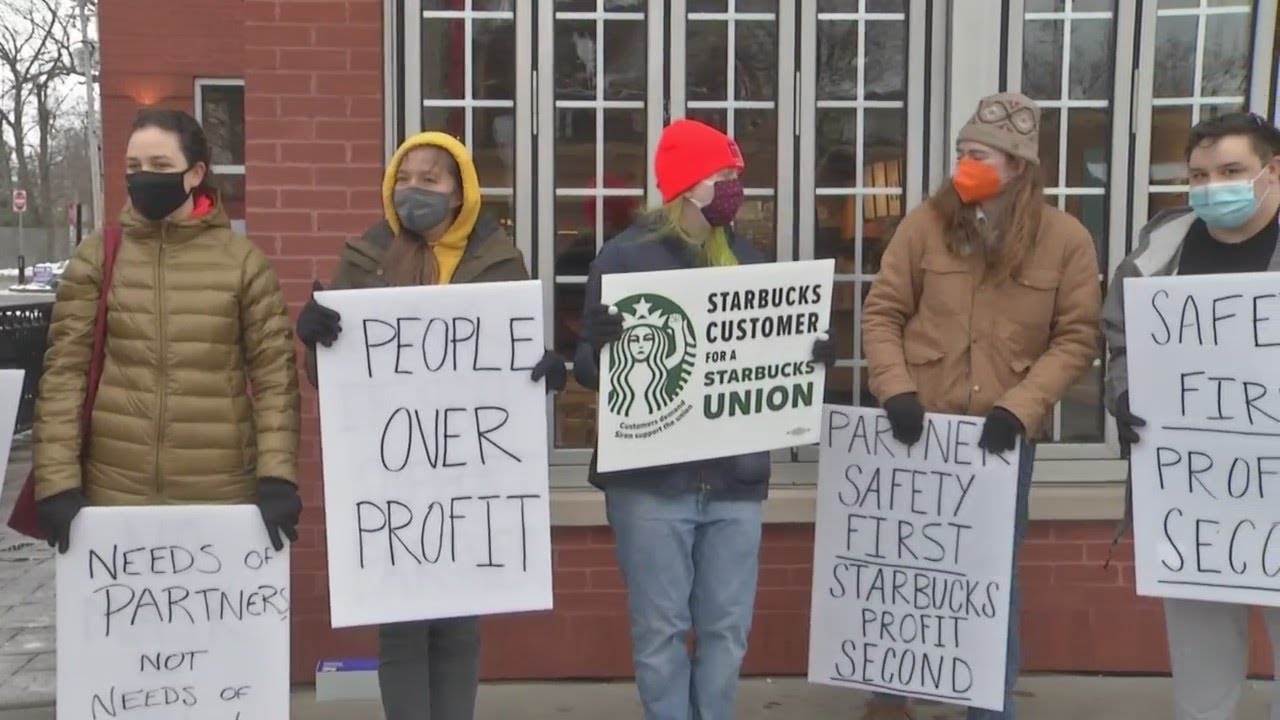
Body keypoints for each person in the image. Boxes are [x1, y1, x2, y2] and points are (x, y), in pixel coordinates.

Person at [295, 130, 567, 720]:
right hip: (390, 472)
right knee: (400, 631)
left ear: (460, 189)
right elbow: (327, 378)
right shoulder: (365, 258)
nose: (414, 188)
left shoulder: (499, 261)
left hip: (467, 472)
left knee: (458, 626)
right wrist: (315, 339)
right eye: (405, 177)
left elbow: (513, 363)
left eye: (431, 178)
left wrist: (546, 368)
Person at [573, 118, 837, 720]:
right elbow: (590, 373)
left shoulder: (749, 259)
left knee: (726, 630)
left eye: (734, 176)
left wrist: (809, 354)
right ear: (688, 184)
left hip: (734, 480)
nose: (733, 187)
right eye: (723, 174)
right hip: (650, 481)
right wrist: (594, 345)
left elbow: (768, 359)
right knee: (661, 633)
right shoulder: (624, 257)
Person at [860, 92, 1102, 720]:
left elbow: (1077, 336)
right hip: (918, 433)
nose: (964, 164)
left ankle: (988, 706)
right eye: (961, 153)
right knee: (903, 572)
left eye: (980, 155)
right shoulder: (924, 225)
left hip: (999, 443)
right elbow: (883, 311)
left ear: (1018, 165)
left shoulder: (1066, 240)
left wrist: (1020, 407)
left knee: (992, 581)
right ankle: (890, 697)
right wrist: (895, 390)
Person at [32, 109, 301, 552]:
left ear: (195, 173)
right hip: (114, 494)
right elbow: (64, 374)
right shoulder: (97, 256)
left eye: (160, 166)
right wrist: (57, 480)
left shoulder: (242, 261)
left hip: (220, 493)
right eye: (134, 167)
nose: (143, 178)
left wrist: (276, 477)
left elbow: (275, 378)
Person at [1102, 112, 1280, 720]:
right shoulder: (1164, 243)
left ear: (1272, 171)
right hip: (1193, 497)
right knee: (1201, 662)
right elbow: (1121, 337)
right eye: (1199, 174)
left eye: (1231, 171)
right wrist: (1124, 396)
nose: (1211, 187)